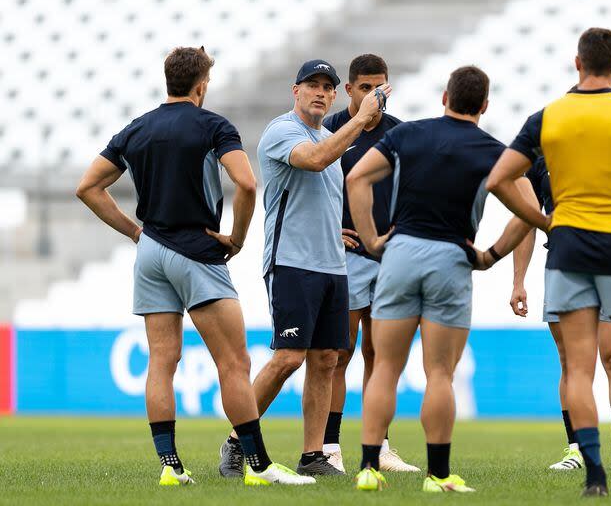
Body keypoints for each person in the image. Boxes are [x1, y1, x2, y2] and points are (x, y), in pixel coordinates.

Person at [76, 46, 314, 487]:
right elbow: (246, 182)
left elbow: (88, 187)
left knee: (162, 362)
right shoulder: (213, 125)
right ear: (201, 85)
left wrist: (135, 233)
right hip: (196, 249)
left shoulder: (137, 128)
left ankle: (170, 466)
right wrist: (237, 239)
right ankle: (259, 467)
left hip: (150, 252)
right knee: (233, 362)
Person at [486, 28, 611, 497]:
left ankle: (595, 477)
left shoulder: (547, 118)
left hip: (567, 251)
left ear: (576, 64)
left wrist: (544, 220)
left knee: (577, 369)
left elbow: (499, 179)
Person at [347, 65, 535, 493]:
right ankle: (437, 475)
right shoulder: (492, 151)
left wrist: (373, 241)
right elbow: (530, 209)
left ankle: (368, 468)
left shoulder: (408, 135)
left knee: (385, 369)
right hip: (451, 258)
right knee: (439, 374)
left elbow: (356, 177)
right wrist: (490, 255)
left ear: (444, 97)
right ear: (484, 106)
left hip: (400, 255)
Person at [217, 59, 391, 477]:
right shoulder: (284, 131)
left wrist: (335, 231)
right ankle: (237, 442)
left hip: (332, 264)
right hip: (291, 262)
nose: (320, 92)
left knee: (327, 358)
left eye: (327, 87)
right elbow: (313, 160)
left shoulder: (331, 138)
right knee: (289, 357)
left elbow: (324, 192)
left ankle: (314, 454)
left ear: (335, 94)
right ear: (295, 91)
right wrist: (364, 118)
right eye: (311, 84)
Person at [321, 54, 419, 473]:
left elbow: (414, 189)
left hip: (388, 258)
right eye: (365, 88)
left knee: (380, 356)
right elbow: (309, 189)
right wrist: (329, 233)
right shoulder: (329, 131)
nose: (373, 96)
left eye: (380, 88)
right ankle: (328, 447)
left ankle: (378, 445)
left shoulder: (399, 134)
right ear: (349, 90)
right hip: (343, 257)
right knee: (337, 355)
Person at [512, 157, 611, 472]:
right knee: (571, 364)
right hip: (562, 267)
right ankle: (577, 450)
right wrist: (518, 281)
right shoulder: (540, 159)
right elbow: (526, 220)